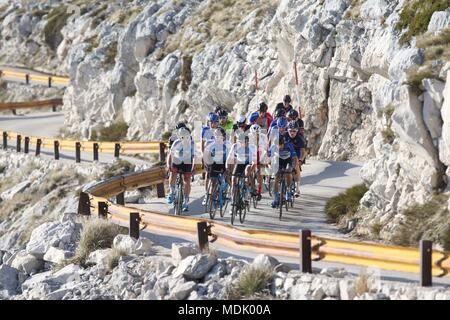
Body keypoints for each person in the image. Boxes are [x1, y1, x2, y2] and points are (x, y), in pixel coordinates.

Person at [226, 131, 257, 211]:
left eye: (244, 142)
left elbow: (254, 162)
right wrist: (227, 168)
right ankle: (233, 201)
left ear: (247, 142)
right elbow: (229, 159)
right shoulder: (235, 146)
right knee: (233, 180)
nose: (242, 144)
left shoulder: (252, 147)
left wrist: (249, 174)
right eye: (240, 142)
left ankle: (246, 194)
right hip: (239, 164)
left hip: (248, 164)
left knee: (247, 171)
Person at [166, 127, 195, 211]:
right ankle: (172, 192)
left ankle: (185, 201)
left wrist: (193, 168)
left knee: (187, 180)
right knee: (173, 173)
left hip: (187, 161)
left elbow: (193, 157)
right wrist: (168, 165)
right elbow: (170, 155)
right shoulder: (176, 142)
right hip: (177, 160)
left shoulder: (192, 143)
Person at [268, 135, 298, 208]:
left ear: (283, 143)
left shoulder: (289, 145)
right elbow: (269, 158)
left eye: (280, 145)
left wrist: (293, 167)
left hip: (288, 161)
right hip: (279, 161)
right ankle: (275, 198)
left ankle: (288, 191)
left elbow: (294, 158)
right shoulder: (273, 146)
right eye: (277, 145)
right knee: (276, 177)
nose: (279, 147)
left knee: (288, 172)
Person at [203, 127, 231, 201]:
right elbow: (205, 156)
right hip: (213, 162)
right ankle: (209, 196)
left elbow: (230, 157)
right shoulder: (210, 143)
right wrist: (207, 166)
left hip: (224, 162)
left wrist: (228, 168)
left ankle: (228, 191)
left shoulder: (227, 144)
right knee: (212, 181)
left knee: (228, 175)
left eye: (222, 136)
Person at [283, 121, 305, 197]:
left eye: (294, 131)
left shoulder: (299, 138)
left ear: (297, 131)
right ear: (287, 130)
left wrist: (301, 159)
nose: (292, 133)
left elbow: (303, 151)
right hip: (286, 154)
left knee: (296, 167)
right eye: (290, 131)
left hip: (297, 154)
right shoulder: (284, 136)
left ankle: (297, 188)